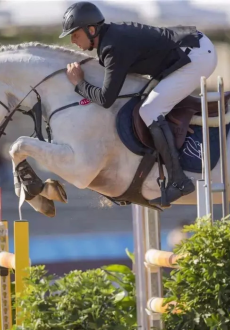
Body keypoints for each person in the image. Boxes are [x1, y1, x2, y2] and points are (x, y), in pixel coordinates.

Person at [60, 1, 218, 206]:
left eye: (75, 34)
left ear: (91, 30)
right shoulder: (110, 40)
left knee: (150, 110)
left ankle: (179, 180)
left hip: (195, 58)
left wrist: (79, 83)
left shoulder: (112, 47)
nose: (73, 40)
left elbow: (106, 100)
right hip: (191, 49)